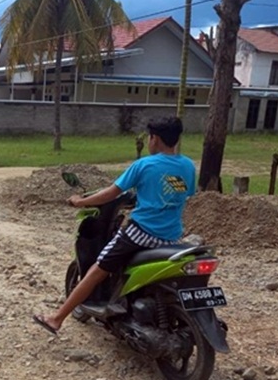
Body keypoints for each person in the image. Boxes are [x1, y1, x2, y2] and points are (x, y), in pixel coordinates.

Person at [32, 116, 196, 335]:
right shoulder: (187, 165)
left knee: (96, 271)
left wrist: (80, 201)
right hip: (171, 237)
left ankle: (56, 318)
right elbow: (182, 193)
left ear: (154, 139)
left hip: (142, 234)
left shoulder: (144, 165)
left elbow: (111, 193)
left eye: (150, 137)